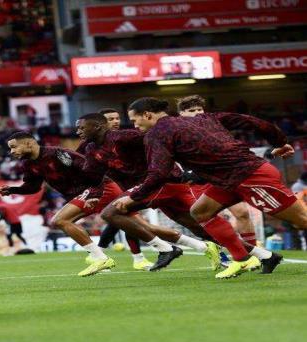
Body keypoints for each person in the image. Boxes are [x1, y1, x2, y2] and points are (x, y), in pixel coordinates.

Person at [120, 97, 306, 278]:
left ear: (147, 115)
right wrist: (280, 142)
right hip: (227, 180)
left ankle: (251, 257)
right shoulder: (204, 118)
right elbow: (252, 121)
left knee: (301, 220)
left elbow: (158, 173)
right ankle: (242, 259)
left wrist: (133, 197)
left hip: (250, 176)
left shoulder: (157, 133)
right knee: (200, 212)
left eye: (135, 120)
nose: (135, 125)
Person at [77, 113, 225, 272]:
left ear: (97, 126)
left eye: (82, 128)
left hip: (163, 182)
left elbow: (164, 142)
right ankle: (232, 252)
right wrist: (93, 194)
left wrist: (186, 167)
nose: (78, 132)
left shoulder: (124, 137)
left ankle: (164, 249)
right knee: (193, 225)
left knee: (111, 213)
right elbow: (94, 176)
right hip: (148, 189)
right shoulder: (91, 148)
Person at [0, 131, 116, 276]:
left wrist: (95, 193)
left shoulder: (58, 154)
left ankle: (100, 258)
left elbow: (92, 170)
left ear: (28, 143)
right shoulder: (29, 164)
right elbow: (33, 187)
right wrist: (12, 190)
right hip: (87, 193)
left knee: (60, 220)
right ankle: (114, 258)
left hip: (99, 187)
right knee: (128, 222)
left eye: (14, 147)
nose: (11, 151)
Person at [177, 95, 257, 247]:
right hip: (197, 182)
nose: (197, 113)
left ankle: (256, 252)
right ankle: (223, 252)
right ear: (182, 114)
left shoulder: (214, 125)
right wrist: (186, 172)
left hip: (220, 178)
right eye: (191, 110)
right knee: (208, 219)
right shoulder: (175, 131)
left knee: (242, 212)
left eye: (199, 109)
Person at [93, 108, 153, 270]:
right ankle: (138, 258)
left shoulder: (127, 136)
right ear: (99, 124)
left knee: (119, 219)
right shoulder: (92, 143)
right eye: (110, 119)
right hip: (114, 186)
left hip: (136, 184)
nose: (115, 122)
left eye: (117, 118)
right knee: (124, 217)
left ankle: (98, 254)